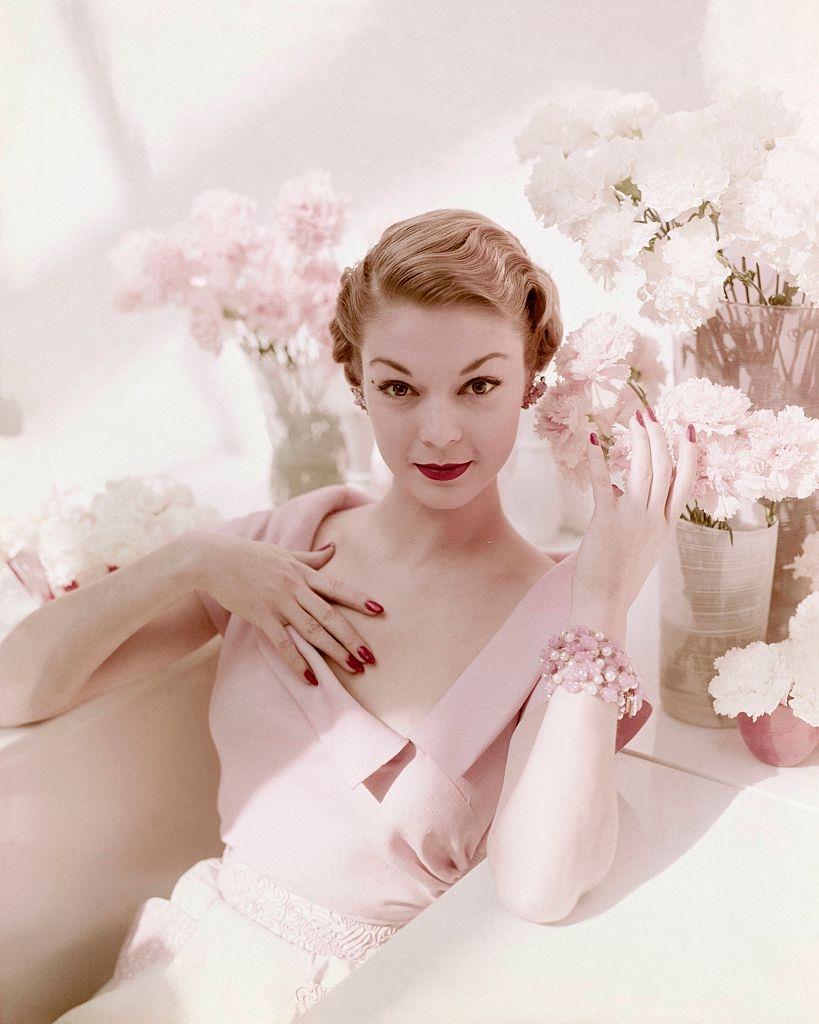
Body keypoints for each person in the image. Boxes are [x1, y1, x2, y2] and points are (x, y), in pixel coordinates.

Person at [1, 209, 695, 1022]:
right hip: (182, 978)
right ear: (357, 384)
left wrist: (603, 598)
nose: (439, 432)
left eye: (478, 386)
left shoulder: (563, 621)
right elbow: (15, 691)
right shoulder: (286, 544)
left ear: (529, 387)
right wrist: (190, 559)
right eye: (400, 387)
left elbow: (541, 887)